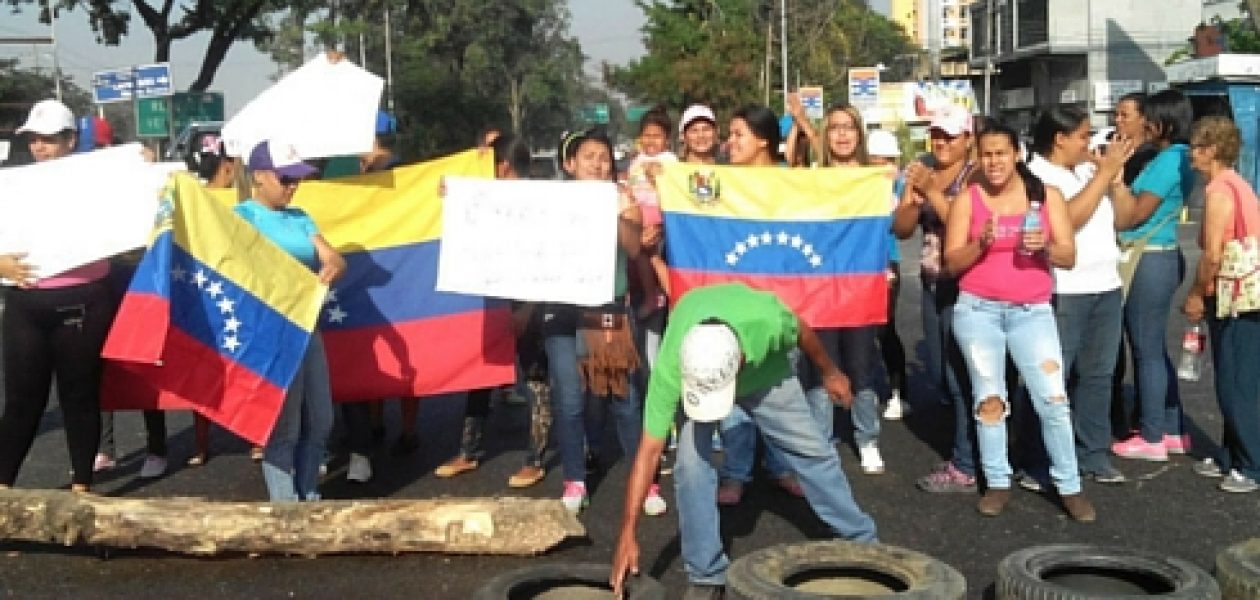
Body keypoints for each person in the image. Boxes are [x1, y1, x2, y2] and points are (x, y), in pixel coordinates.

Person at [609, 283, 877, 599]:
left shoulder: (766, 322)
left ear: (741, 359)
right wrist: (627, 534)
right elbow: (649, 451)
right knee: (690, 467)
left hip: (765, 374)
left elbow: (803, 332)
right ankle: (706, 574)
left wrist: (830, 373)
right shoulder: (672, 367)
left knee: (812, 450)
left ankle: (861, 541)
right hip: (705, 370)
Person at [942, 122, 1095, 522]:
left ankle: (1070, 485)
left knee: (1052, 399)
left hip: (1032, 311)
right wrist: (981, 244)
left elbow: (1068, 255)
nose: (993, 162)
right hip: (978, 311)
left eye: (1001, 153)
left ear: (1017, 155)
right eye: (986, 154)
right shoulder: (967, 200)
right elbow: (951, 262)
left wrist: (1044, 245)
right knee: (989, 398)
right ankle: (997, 482)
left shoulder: (1046, 198)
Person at [546, 127, 666, 516]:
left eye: (603, 157)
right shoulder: (546, 200)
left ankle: (645, 481)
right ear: (569, 164)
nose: (597, 164)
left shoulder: (621, 199)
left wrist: (621, 210)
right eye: (588, 157)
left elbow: (633, 248)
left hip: (604, 307)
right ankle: (574, 479)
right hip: (560, 307)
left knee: (623, 398)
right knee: (568, 398)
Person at [0, 100, 112, 493]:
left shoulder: (100, 179)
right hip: (26, 304)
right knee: (21, 403)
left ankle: (82, 489)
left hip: (84, 300)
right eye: (34, 139)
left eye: (49, 139)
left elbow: (130, 213)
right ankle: (3, 491)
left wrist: (140, 167)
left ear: (71, 140)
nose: (40, 147)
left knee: (79, 397)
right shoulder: (12, 185)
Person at [431, 133, 554, 489]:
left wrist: (528, 308)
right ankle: (468, 451)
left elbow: (549, 260)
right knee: (480, 375)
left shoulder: (536, 203)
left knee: (536, 380)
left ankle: (535, 459)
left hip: (528, 303)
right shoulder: (490, 199)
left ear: (501, 167)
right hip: (493, 301)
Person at [1027, 107, 1136, 485]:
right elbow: (1066, 222)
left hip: (1105, 285)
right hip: (1063, 290)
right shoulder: (1036, 174)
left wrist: (1116, 181)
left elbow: (1124, 219)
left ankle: (1092, 453)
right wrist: (1102, 176)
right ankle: (1038, 457)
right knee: (1052, 376)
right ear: (1060, 138)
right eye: (1083, 136)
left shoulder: (1090, 171)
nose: (1089, 144)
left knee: (1099, 374)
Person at [236, 139, 345, 501]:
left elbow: (334, 257)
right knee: (285, 425)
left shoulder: (300, 218)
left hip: (306, 326)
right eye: (286, 179)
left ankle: (308, 492)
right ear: (260, 176)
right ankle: (286, 505)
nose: (293, 186)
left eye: (296, 178)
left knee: (322, 418)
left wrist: (332, 264)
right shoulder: (242, 218)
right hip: (270, 332)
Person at [712, 106, 803, 505]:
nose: (728, 143)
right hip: (736, 304)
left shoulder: (795, 183)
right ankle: (735, 472)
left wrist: (872, 182)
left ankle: (783, 466)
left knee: (783, 383)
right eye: (729, 135)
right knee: (734, 388)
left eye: (738, 134)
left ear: (764, 140)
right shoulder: (720, 182)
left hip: (784, 303)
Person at [791, 103, 887, 475]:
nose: (842, 134)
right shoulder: (813, 178)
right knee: (820, 365)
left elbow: (891, 225)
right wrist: (799, 126)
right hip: (819, 289)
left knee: (861, 365)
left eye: (849, 127)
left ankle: (867, 438)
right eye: (834, 128)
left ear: (859, 134)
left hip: (860, 287)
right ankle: (820, 441)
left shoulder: (874, 178)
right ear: (825, 135)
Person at [892, 105, 981, 493]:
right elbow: (901, 228)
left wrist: (931, 190)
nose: (941, 143)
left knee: (966, 374)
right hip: (932, 279)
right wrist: (912, 197)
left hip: (968, 281)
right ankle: (971, 448)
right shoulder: (925, 167)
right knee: (944, 372)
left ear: (967, 139)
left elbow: (966, 223)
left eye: (950, 136)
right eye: (937, 135)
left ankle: (967, 461)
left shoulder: (974, 173)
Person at [1110, 89, 1196, 462]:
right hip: (1161, 255)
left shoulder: (1168, 160)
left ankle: (1151, 434)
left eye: (1149, 117)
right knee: (1154, 348)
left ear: (1162, 121)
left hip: (1149, 257)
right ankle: (1172, 427)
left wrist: (1112, 179)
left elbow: (1134, 215)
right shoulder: (1177, 157)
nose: (1143, 122)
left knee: (1145, 350)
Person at [1182, 116, 1260, 493]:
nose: (1191, 154)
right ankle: (1233, 455)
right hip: (1249, 290)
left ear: (1210, 150)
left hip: (1234, 295)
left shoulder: (1219, 191)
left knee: (1235, 382)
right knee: (1239, 376)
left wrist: (1196, 293)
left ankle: (1251, 463)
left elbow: (1212, 254)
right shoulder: (1240, 184)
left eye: (1196, 147)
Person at [866, 129, 910, 421]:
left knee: (884, 330)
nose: (883, 166)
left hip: (887, 263)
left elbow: (903, 223)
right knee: (857, 333)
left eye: (888, 160)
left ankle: (898, 392)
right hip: (858, 265)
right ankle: (862, 391)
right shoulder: (855, 182)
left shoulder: (901, 184)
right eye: (876, 161)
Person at [625, 106, 677, 319]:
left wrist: (659, 177)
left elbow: (672, 187)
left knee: (650, 254)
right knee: (639, 257)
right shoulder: (637, 160)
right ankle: (649, 294)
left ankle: (658, 295)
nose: (651, 141)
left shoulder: (669, 160)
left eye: (657, 136)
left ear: (667, 139)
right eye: (647, 135)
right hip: (638, 212)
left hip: (657, 213)